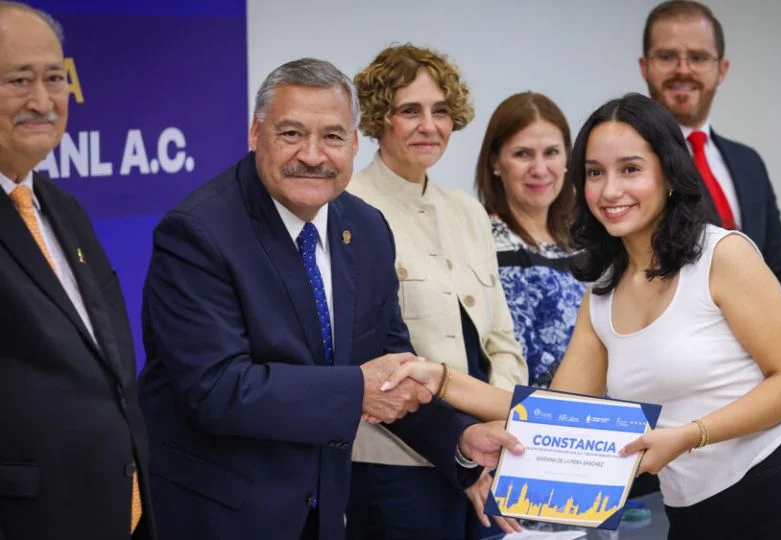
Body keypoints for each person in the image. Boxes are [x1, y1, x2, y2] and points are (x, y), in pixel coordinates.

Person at [381, 93, 781, 539]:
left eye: (630, 169)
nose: (610, 190)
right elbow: (554, 413)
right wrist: (439, 379)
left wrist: (690, 436)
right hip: (693, 511)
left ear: (669, 174)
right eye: (594, 172)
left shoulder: (723, 255)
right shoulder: (604, 291)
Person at [136, 57, 523, 540]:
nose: (313, 155)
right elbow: (218, 389)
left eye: (333, 137)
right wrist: (358, 388)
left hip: (324, 514)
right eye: (291, 134)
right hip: (221, 517)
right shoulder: (197, 233)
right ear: (256, 134)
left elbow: (391, 367)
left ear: (355, 143)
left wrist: (459, 440)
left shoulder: (366, 228)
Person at [346, 43, 526, 538]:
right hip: (397, 469)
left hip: (491, 455)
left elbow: (502, 342)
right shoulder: (348, 212)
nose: (430, 125)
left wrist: (497, 429)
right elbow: (377, 363)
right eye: (410, 111)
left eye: (441, 111)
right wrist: (457, 450)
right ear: (380, 117)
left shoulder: (467, 211)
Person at [0, 3, 156, 539]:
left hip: (116, 510)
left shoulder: (61, 207)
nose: (41, 101)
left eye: (54, 78)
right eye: (19, 80)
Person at [639, 0, 781, 308]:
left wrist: (763, 339)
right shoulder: (629, 164)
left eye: (698, 58)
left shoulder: (748, 163)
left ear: (721, 69)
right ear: (645, 66)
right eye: (667, 56)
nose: (683, 70)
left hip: (755, 348)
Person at [475, 91, 588, 388]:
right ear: (496, 163)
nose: (539, 169)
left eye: (551, 152)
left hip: (599, 416)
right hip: (518, 418)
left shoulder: (589, 241)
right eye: (523, 154)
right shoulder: (480, 242)